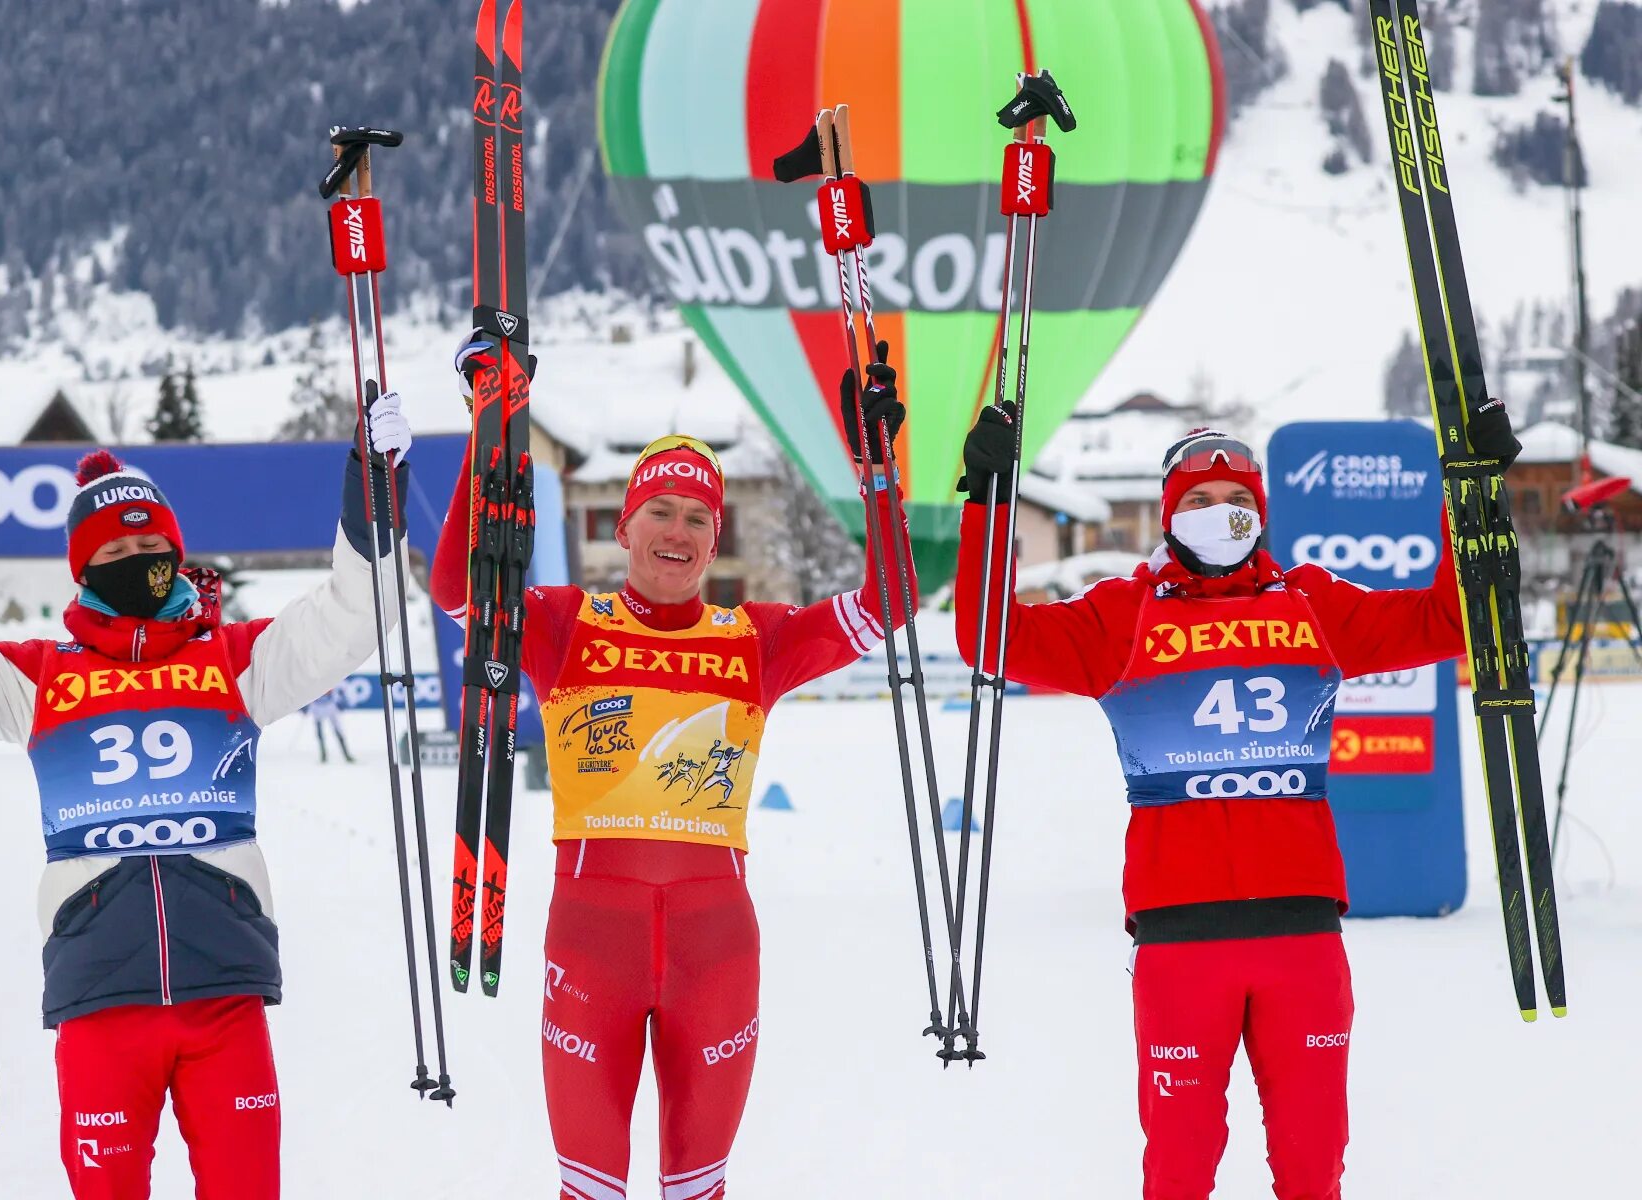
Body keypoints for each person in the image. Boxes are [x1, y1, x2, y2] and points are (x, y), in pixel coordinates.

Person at [0, 397, 411, 1200]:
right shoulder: (38, 674)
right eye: (117, 546)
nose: (139, 556)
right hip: (99, 1000)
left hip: (225, 995)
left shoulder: (235, 660)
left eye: (152, 544)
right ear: (84, 565)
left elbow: (354, 618)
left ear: (177, 554)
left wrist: (374, 496)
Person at [952, 411, 1517, 1200]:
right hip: (1181, 944)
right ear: (1168, 513)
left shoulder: (1311, 601)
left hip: (1302, 939)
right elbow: (989, 638)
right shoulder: (1124, 612)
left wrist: (1472, 497)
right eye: (1198, 499)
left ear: (1260, 508)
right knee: (1178, 1173)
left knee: (1312, 1170)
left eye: (1235, 497)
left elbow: (1451, 620)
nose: (1219, 512)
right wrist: (990, 503)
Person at [433, 334, 912, 1200]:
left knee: (699, 1188)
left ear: (714, 538)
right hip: (590, 946)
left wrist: (878, 475)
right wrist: (489, 422)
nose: (678, 532)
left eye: (698, 518)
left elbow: (889, 604)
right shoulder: (565, 622)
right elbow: (460, 588)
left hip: (717, 950)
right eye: (661, 512)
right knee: (591, 1189)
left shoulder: (754, 638)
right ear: (624, 526)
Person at [307, 688, 355, 764]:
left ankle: (346, 754)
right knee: (319, 732)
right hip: (317, 707)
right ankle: (323, 754)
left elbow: (337, 691)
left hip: (330, 706)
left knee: (338, 730)